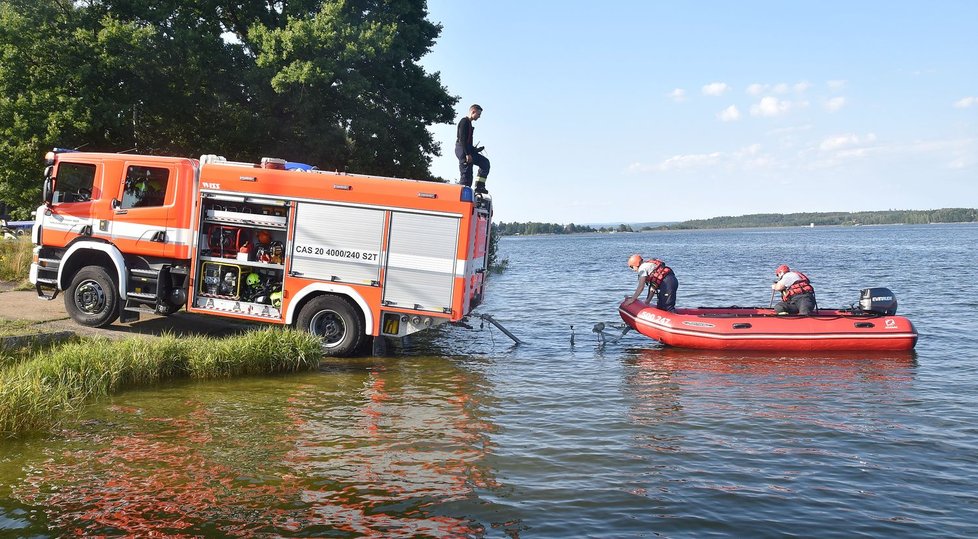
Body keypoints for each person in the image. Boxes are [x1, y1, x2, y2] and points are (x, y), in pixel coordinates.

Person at [455, 104, 490, 194]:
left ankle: (479, 186)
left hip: (467, 150)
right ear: (473, 111)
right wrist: (467, 154)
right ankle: (462, 195)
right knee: (466, 177)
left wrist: (475, 150)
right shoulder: (464, 122)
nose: (479, 117)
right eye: (478, 114)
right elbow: (462, 139)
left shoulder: (469, 123)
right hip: (463, 151)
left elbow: (467, 141)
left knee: (485, 163)